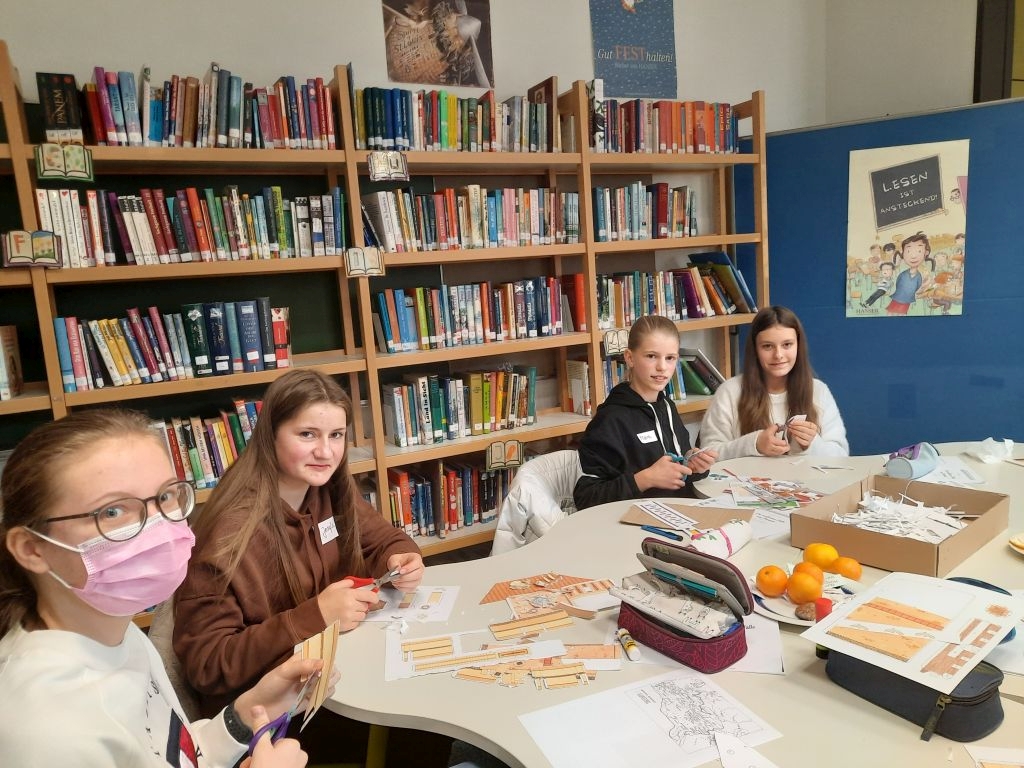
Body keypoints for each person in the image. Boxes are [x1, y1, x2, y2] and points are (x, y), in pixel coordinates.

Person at [0, 408, 321, 767]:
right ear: (32, 549)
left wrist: (246, 714)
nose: (159, 527)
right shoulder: (43, 732)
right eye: (112, 512)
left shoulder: (116, 632)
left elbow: (171, 755)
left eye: (166, 497)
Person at [174, 368, 424, 718]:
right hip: (268, 717)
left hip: (326, 674)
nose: (326, 451)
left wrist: (401, 558)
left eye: (336, 435)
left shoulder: (327, 488)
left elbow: (384, 540)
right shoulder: (229, 535)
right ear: (271, 435)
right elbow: (208, 665)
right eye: (307, 434)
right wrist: (316, 615)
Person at [573, 315, 717, 511]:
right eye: (651, 356)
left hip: (680, 512)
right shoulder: (610, 419)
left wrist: (693, 465)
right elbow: (586, 498)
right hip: (631, 521)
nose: (662, 367)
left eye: (670, 358)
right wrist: (644, 479)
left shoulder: (667, 406)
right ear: (630, 358)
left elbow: (679, 473)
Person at [699, 306, 849, 460]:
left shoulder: (819, 391)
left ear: (798, 346)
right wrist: (754, 444)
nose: (778, 355)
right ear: (755, 349)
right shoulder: (730, 391)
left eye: (787, 345)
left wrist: (812, 444)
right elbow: (707, 454)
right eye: (767, 346)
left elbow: (842, 456)